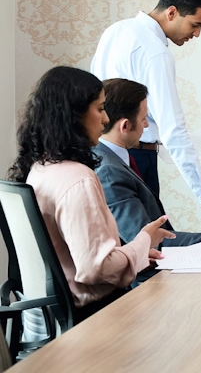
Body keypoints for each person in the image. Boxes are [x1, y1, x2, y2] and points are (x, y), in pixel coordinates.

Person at [7, 67, 175, 322]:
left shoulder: (40, 168)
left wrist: (135, 255)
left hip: (49, 318)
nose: (106, 119)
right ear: (74, 116)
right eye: (100, 108)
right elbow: (98, 269)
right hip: (94, 317)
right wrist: (143, 242)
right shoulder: (78, 178)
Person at [93, 79, 201, 285]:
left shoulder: (114, 162)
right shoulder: (109, 171)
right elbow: (149, 247)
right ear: (125, 125)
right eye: (145, 119)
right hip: (146, 286)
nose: (146, 125)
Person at [91, 0, 201, 226]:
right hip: (136, 158)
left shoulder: (115, 30)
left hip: (100, 152)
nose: (197, 34)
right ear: (172, 12)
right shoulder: (156, 52)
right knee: (156, 246)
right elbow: (173, 128)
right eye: (195, 24)